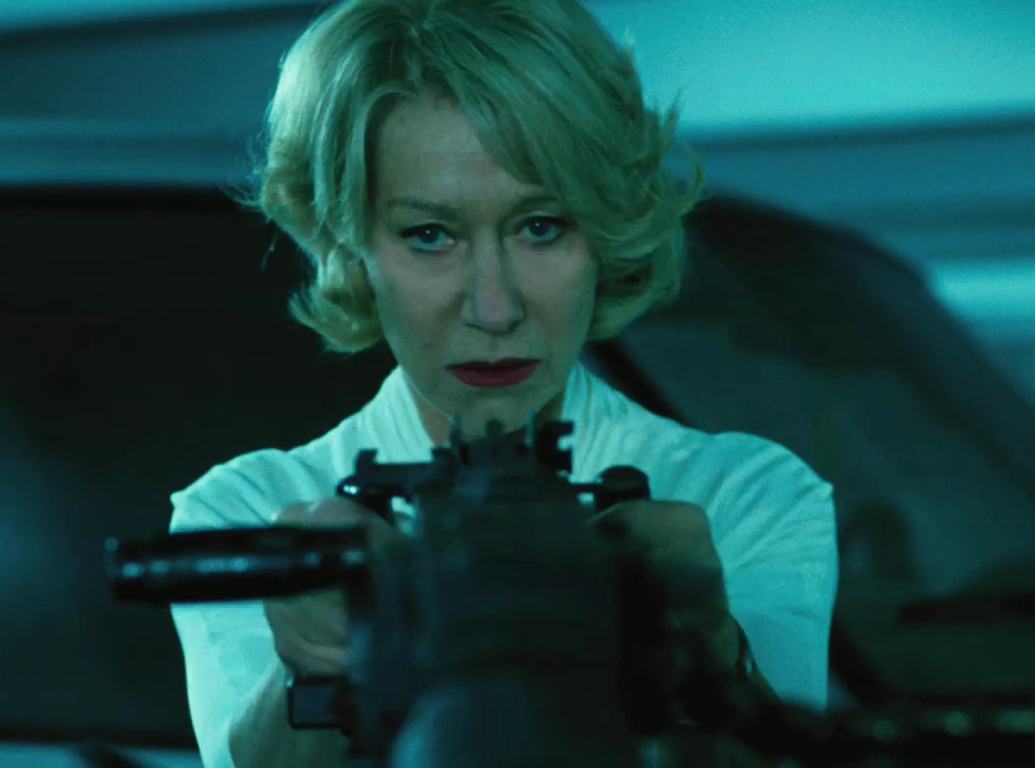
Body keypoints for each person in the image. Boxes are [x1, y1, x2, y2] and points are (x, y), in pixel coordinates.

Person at [168, 0, 838, 765]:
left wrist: (714, 654)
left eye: (541, 227)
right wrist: (314, 665)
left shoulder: (745, 496)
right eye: (430, 235)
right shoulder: (246, 511)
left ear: (602, 232)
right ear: (351, 249)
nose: (495, 308)